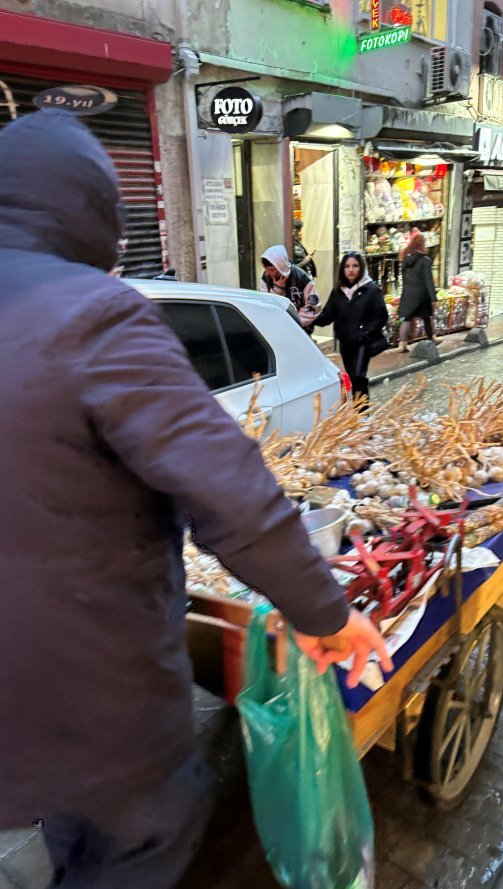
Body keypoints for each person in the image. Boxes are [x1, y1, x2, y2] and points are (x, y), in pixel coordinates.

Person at [0, 112, 392, 889]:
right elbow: (233, 490)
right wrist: (326, 613)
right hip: (97, 693)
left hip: (25, 712)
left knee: (79, 829)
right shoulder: (96, 314)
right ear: (96, 215)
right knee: (147, 833)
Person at [314, 251, 388, 406]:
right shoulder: (338, 291)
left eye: (355, 266)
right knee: (351, 377)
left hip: (362, 342)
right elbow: (328, 315)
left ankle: (362, 414)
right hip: (345, 342)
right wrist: (309, 318)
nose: (351, 270)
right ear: (343, 269)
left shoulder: (371, 290)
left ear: (361, 267)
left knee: (359, 376)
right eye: (347, 266)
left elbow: (381, 316)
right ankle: (357, 410)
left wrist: (366, 331)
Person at [397, 228, 442, 353]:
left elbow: (403, 277)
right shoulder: (425, 261)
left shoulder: (405, 259)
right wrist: (433, 298)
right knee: (426, 316)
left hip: (408, 293)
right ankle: (432, 338)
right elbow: (429, 280)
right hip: (422, 294)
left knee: (406, 318)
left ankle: (402, 344)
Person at [259, 244, 321, 331]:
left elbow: (313, 307)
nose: (268, 273)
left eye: (272, 270)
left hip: (301, 331)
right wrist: (277, 290)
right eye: (266, 269)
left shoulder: (302, 277)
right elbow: (265, 307)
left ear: (281, 266)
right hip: (275, 331)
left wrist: (291, 323)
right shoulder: (265, 279)